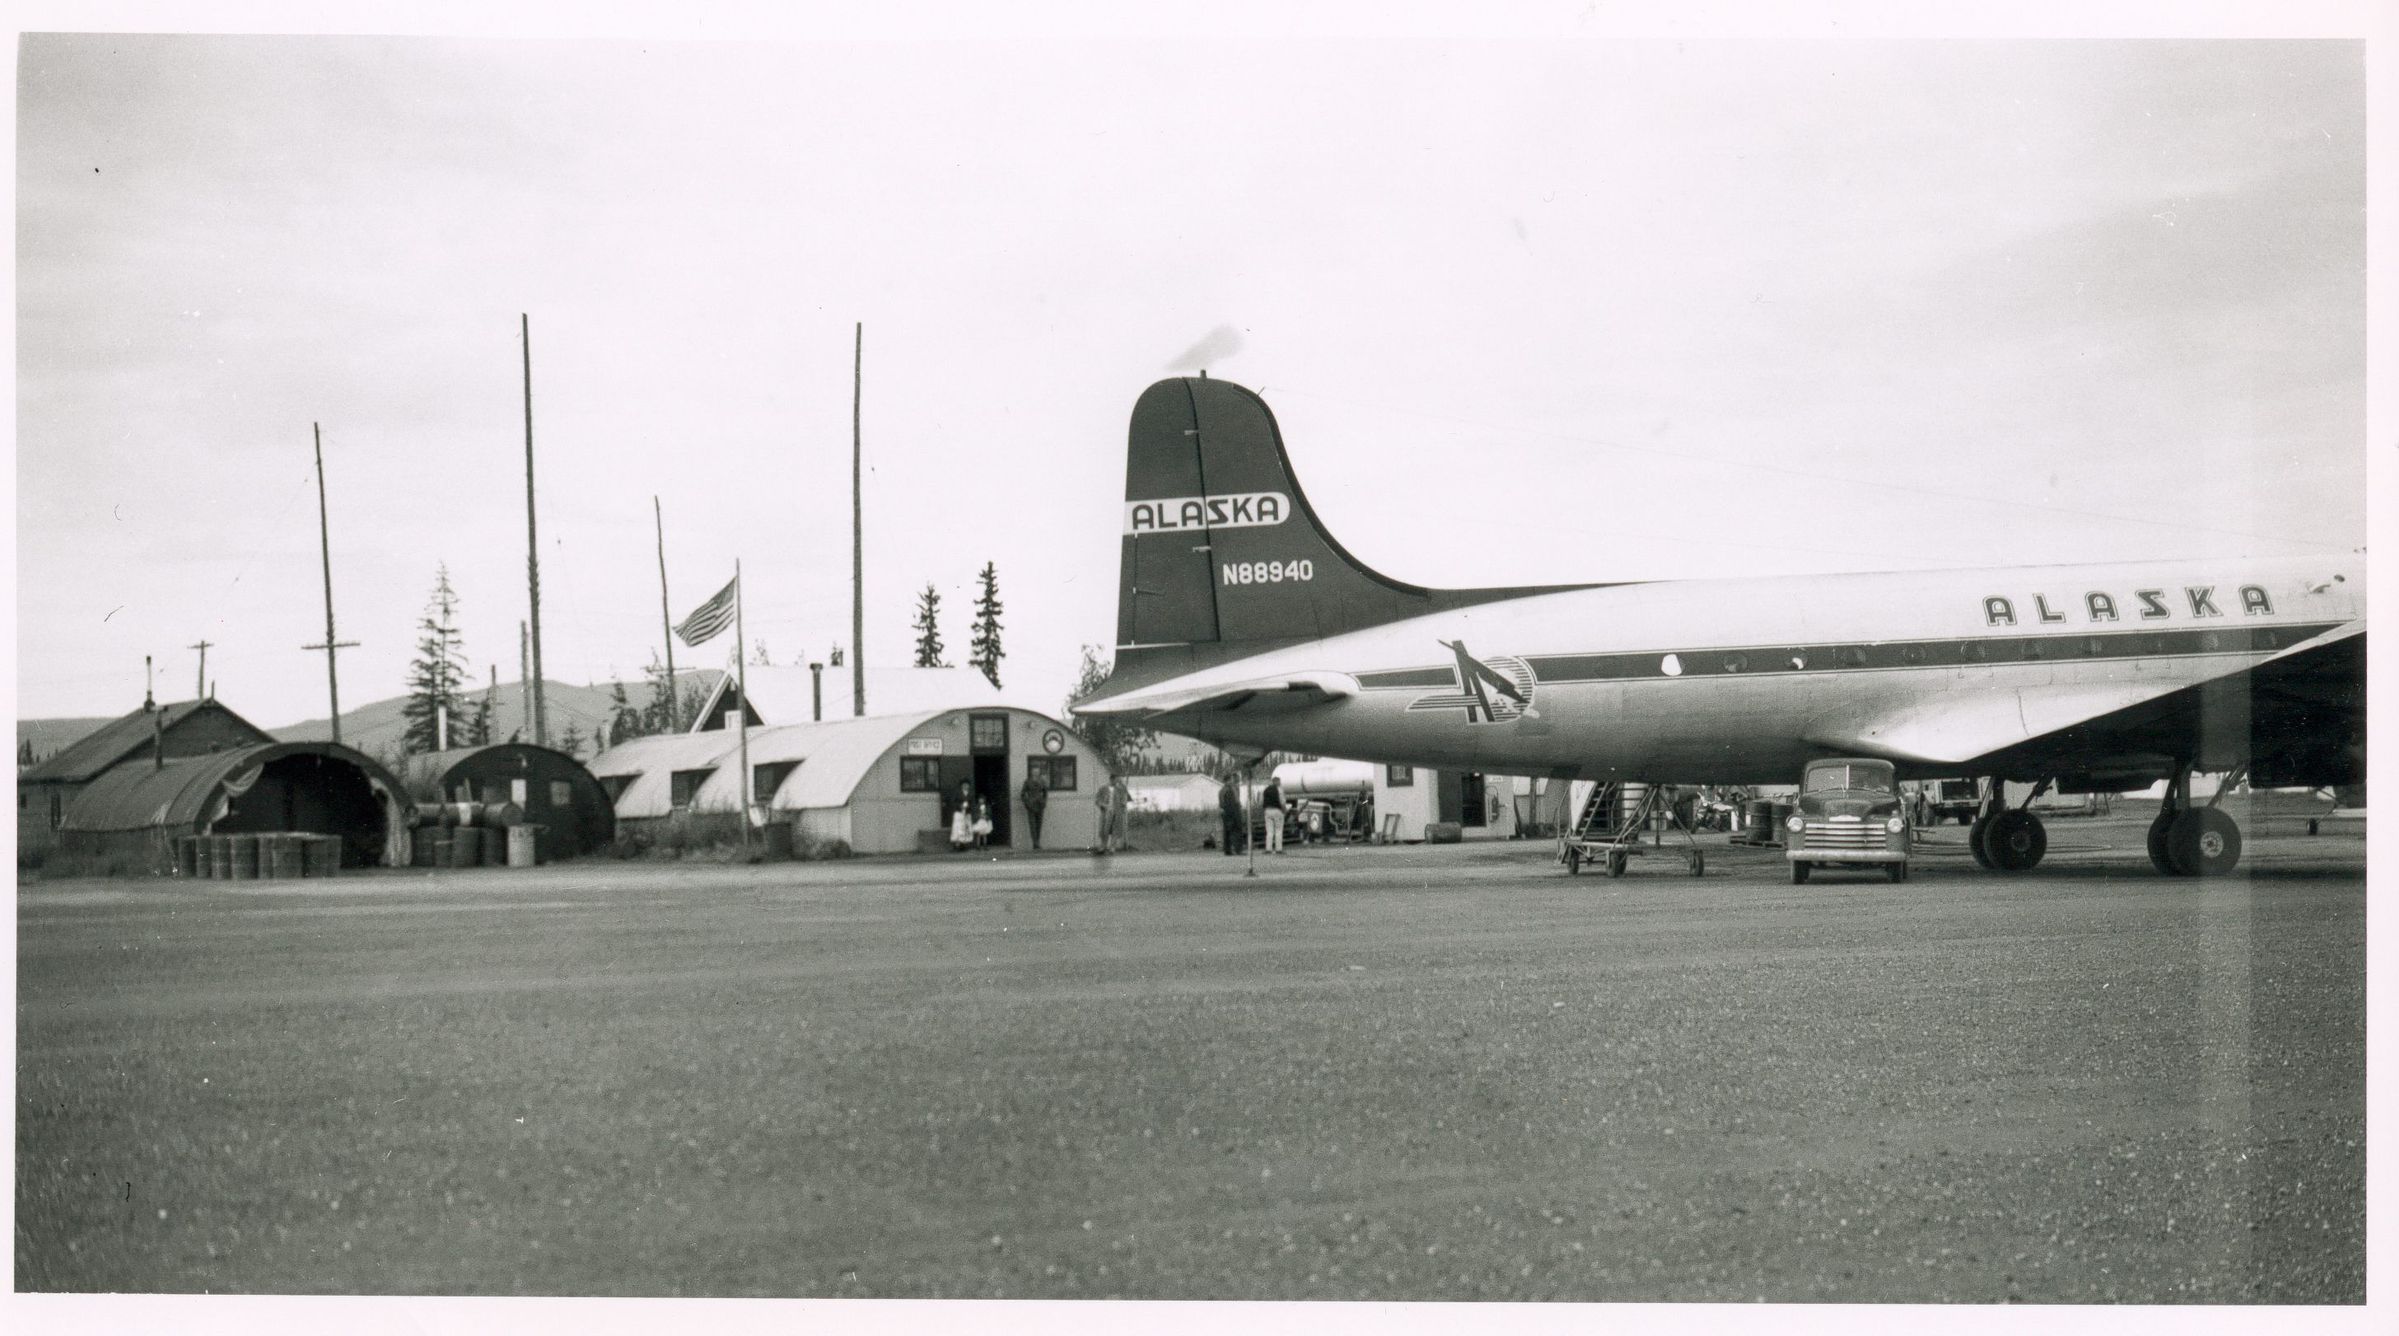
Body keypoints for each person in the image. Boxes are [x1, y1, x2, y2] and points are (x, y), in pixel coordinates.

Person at [1019, 771, 1048, 850]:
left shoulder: (1042, 781)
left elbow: (1045, 792)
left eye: (1037, 772)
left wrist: (1044, 801)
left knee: (1039, 824)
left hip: (1040, 805)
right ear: (1031, 773)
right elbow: (1022, 794)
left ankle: (1037, 842)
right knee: (1032, 825)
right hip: (1031, 806)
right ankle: (1035, 843)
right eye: (1034, 772)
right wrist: (1027, 803)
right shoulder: (1027, 782)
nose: (1035, 773)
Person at [1218, 775, 1245, 855]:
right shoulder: (1226, 790)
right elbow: (1223, 802)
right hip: (1230, 811)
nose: (1232, 781)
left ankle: (1232, 849)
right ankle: (1234, 850)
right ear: (1227, 781)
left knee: (1231, 830)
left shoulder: (1227, 789)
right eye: (1230, 780)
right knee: (1232, 830)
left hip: (1232, 811)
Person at [1262, 775, 1286, 854]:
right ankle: (1278, 849)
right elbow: (1282, 801)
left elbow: (1262, 801)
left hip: (1267, 810)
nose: (1280, 783)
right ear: (1277, 781)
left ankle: (1268, 848)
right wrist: (1284, 810)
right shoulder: (1279, 790)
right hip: (1277, 810)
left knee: (1269, 831)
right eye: (1279, 781)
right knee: (1278, 830)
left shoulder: (1266, 789)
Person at [1093, 776, 1116, 854]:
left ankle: (1112, 848)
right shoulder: (1103, 788)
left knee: (1114, 830)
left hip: (1115, 812)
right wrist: (1103, 805)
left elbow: (1125, 799)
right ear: (1111, 779)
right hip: (1105, 812)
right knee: (1103, 830)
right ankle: (1103, 846)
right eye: (1114, 780)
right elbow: (1097, 800)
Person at [1109, 775, 1132, 852]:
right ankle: (1111, 847)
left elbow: (1126, 799)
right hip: (1114, 811)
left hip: (1117, 811)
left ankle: (1112, 846)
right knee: (1114, 829)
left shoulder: (1121, 789)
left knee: (1116, 830)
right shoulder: (1115, 789)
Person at [949, 786, 973, 852]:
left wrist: (968, 807)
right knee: (957, 829)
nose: (966, 786)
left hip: (967, 814)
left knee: (965, 828)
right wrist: (960, 806)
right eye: (964, 785)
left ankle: (964, 845)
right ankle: (956, 845)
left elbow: (972, 804)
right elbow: (954, 802)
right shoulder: (957, 794)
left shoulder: (970, 795)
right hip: (959, 814)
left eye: (967, 785)